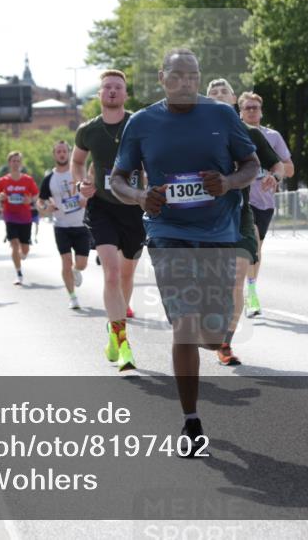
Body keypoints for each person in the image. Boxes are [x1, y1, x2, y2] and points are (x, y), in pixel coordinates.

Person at [111, 48, 259, 454]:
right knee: (185, 325)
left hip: (217, 232)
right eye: (177, 75)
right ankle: (191, 422)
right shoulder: (141, 123)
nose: (186, 83)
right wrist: (142, 196)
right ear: (162, 78)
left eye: (192, 75)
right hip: (167, 231)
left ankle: (217, 341)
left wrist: (227, 183)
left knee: (212, 335)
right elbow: (117, 178)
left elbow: (251, 165)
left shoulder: (222, 116)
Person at [72, 70, 146, 372]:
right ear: (99, 95)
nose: (112, 92)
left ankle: (115, 327)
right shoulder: (88, 131)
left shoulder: (138, 124)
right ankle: (122, 339)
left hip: (134, 207)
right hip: (102, 206)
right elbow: (78, 162)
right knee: (112, 274)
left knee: (127, 275)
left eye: (118, 88)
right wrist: (80, 185)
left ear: (125, 95)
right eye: (107, 88)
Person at [206, 80, 284, 365]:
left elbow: (277, 165)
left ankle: (225, 343)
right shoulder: (193, 133)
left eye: (222, 93)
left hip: (239, 214)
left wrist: (273, 177)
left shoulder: (248, 132)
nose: (217, 97)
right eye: (211, 94)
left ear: (233, 100)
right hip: (203, 218)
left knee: (237, 279)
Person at [235, 90, 294, 316]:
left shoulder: (273, 136)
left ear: (261, 111)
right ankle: (245, 290)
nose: (252, 111)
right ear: (240, 112)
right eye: (247, 108)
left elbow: (289, 167)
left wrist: (274, 171)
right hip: (242, 201)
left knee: (256, 247)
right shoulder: (236, 134)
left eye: (255, 107)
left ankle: (250, 288)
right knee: (251, 241)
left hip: (265, 201)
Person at [38, 140, 91, 310]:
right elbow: (40, 202)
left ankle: (77, 271)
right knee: (66, 261)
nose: (61, 154)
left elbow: (91, 191)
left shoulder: (77, 173)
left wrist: (87, 200)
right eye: (58, 151)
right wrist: (46, 208)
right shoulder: (49, 179)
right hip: (61, 226)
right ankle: (72, 297)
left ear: (68, 153)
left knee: (81, 264)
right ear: (54, 155)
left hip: (81, 225)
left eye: (64, 151)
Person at [0, 151, 39, 285]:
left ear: (21, 163)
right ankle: (19, 273)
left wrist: (29, 200)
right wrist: (0, 197)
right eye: (13, 161)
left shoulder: (28, 180)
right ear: (9, 163)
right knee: (14, 244)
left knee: (25, 250)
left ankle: (22, 256)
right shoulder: (3, 181)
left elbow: (36, 195)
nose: (16, 163)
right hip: (10, 216)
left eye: (18, 161)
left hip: (25, 217)